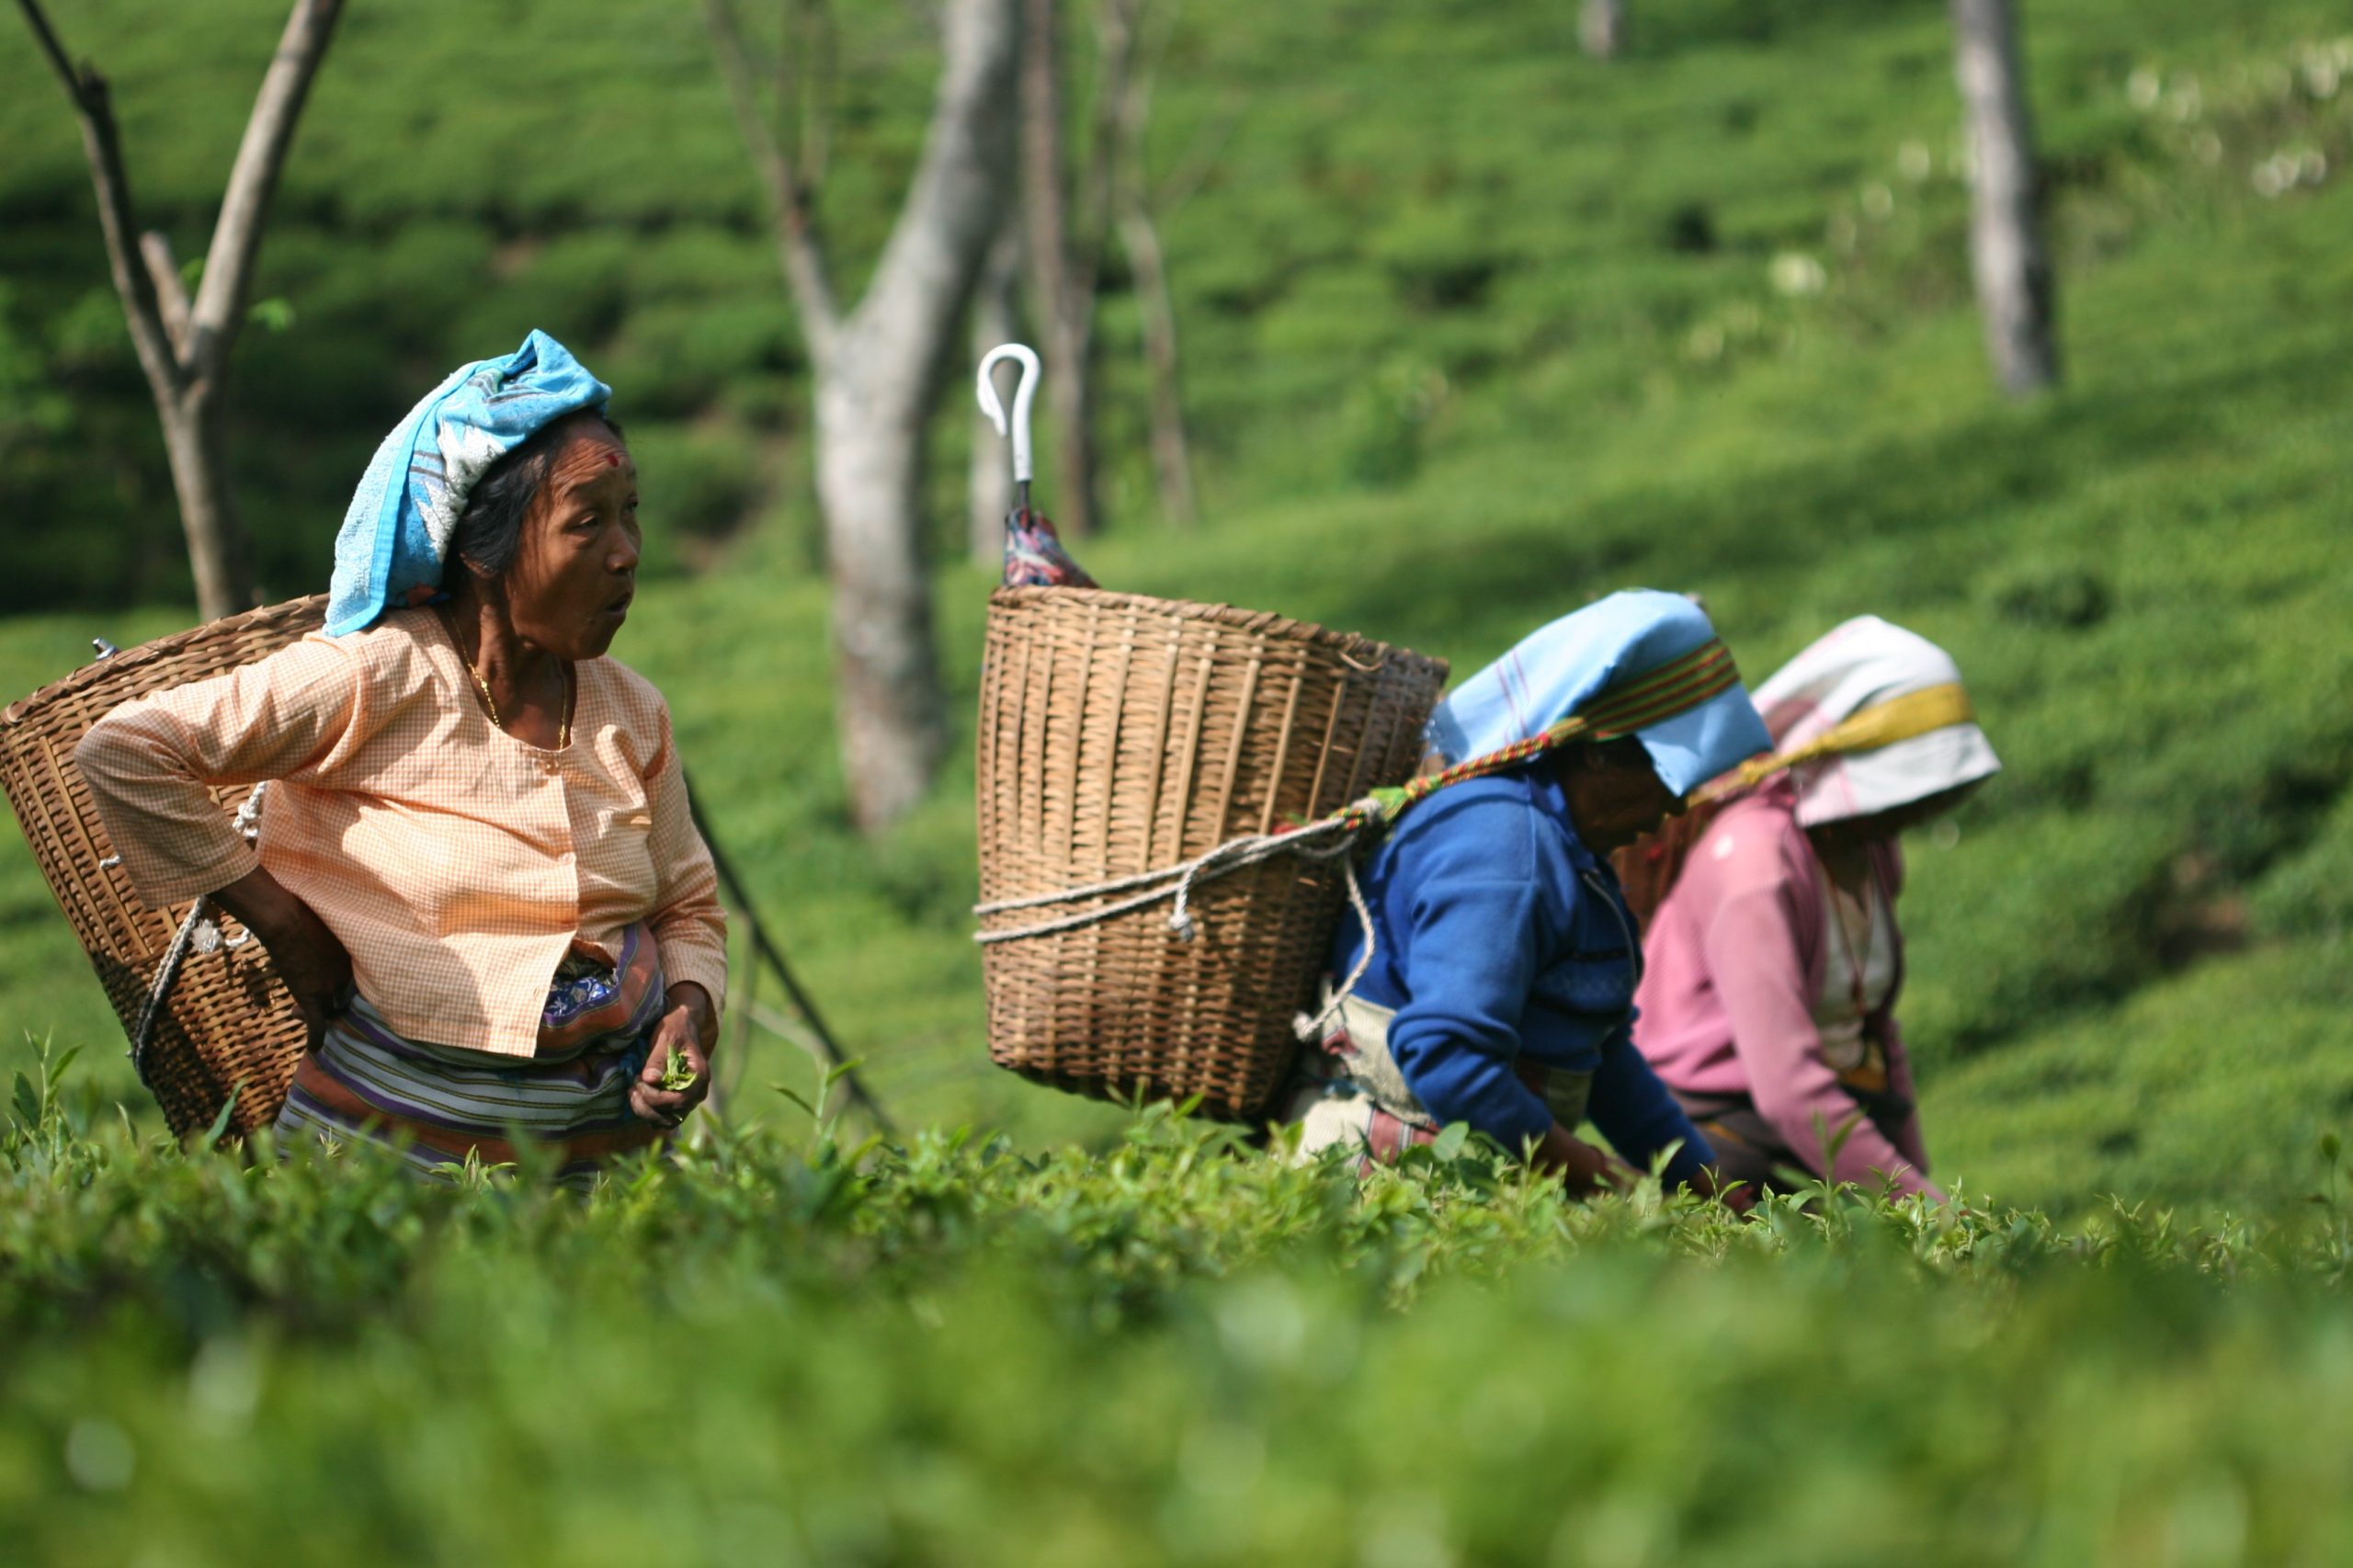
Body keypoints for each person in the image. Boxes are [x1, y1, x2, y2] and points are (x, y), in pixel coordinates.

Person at [77, 331, 727, 1185]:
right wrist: (282, 924)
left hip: (611, 1171)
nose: (626, 552)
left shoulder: (632, 710)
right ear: (482, 550)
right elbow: (125, 751)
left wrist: (691, 1007)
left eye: (631, 510)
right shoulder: (377, 676)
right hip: (398, 1165)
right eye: (587, 521)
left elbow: (687, 907)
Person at [1281, 589, 1775, 1196]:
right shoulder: (1506, 846)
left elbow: (1602, 1053)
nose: (1674, 807)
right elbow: (1448, 1060)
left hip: (1480, 1173)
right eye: (1666, 779)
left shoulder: (1570, 847)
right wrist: (1597, 1177)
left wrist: (1713, 1188)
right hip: (1397, 1186)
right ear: (1595, 757)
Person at [1631, 616, 2000, 1202]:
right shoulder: (1756, 863)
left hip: (1821, 1121)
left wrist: (1916, 1182)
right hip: (1717, 1137)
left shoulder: (1869, 848)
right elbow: (1786, 1086)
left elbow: (1876, 1027)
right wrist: (1926, 1212)